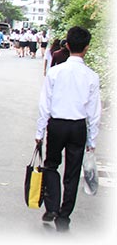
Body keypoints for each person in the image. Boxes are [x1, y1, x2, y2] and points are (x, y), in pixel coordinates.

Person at [35, 26, 101, 232]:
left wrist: (39, 133)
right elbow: (94, 112)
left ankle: (52, 207)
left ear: (68, 45)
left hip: (57, 125)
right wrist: (92, 140)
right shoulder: (91, 76)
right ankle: (64, 216)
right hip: (78, 127)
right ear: (86, 48)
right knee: (72, 172)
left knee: (51, 165)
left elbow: (44, 105)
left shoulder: (55, 73)